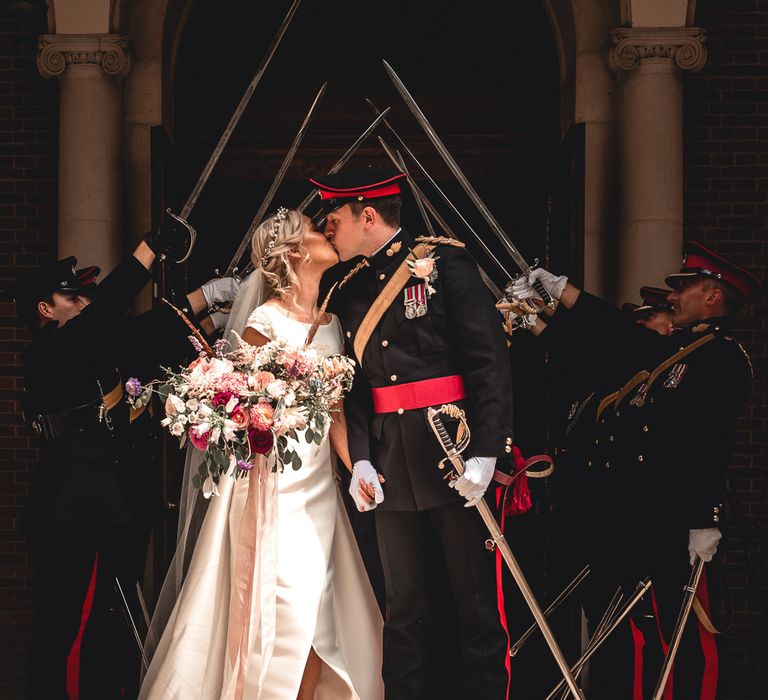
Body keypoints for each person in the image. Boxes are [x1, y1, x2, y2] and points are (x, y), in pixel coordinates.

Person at [139, 208, 383, 700]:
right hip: (273, 489)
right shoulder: (263, 320)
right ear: (294, 251)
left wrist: (356, 464)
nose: (327, 233)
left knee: (321, 616)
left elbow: (335, 411)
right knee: (287, 611)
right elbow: (243, 409)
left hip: (320, 493)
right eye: (316, 231)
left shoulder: (334, 324)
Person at [512, 241, 759, 699]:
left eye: (685, 287)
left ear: (713, 295)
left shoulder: (719, 356)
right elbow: (609, 343)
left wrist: (704, 519)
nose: (672, 296)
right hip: (640, 519)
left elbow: (709, 443)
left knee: (684, 639)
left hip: (677, 521)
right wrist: (545, 312)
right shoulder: (674, 353)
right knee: (639, 636)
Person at [11, 221, 239, 700]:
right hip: (76, 513)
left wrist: (214, 315)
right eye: (72, 298)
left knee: (110, 627)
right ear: (45, 309)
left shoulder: (90, 343)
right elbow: (108, 318)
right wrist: (150, 250)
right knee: (71, 630)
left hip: (111, 508)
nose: (84, 302)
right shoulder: (49, 350)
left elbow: (144, 337)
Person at [313, 168, 514, 699]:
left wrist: (488, 452)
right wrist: (358, 458)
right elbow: (354, 389)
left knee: (474, 606)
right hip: (390, 464)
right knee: (403, 610)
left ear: (368, 215)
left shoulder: (445, 263)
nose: (328, 230)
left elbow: (488, 362)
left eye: (335, 219)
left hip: (454, 454)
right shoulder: (350, 289)